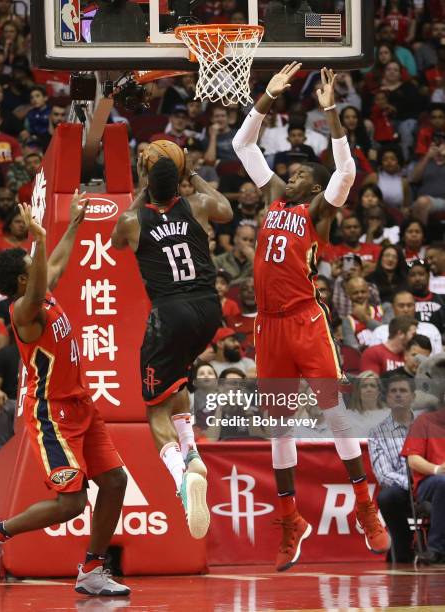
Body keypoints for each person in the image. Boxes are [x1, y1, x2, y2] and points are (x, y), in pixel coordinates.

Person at [232, 63, 390, 571]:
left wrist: (329, 112)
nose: (291, 173)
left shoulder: (318, 209)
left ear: (312, 186)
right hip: (269, 325)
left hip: (304, 319)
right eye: (291, 171)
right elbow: (242, 146)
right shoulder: (275, 197)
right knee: (279, 428)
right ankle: (289, 519)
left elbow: (345, 171)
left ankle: (367, 510)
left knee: (333, 413)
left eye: (300, 172)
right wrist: (267, 98)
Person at [0, 193, 130, 596]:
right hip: (53, 415)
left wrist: (76, 225)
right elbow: (44, 274)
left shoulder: (43, 293)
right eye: (34, 267)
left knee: (115, 482)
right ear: (23, 282)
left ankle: (92, 570)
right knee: (70, 505)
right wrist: (41, 239)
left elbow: (58, 264)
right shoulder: (22, 311)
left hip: (82, 406)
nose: (43, 266)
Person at [111, 151, 232, 540]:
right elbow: (227, 210)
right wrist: (192, 174)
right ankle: (192, 453)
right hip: (209, 310)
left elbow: (115, 241)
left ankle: (182, 480)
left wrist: (140, 188)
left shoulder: (133, 220)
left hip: (170, 313)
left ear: (148, 182)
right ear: (179, 180)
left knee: (154, 408)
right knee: (176, 379)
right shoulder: (197, 205)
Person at [368, 375, 416, 563]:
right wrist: (411, 484)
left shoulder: (427, 425)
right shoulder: (377, 432)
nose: (397, 395)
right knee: (387, 496)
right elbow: (383, 474)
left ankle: (438, 547)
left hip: (430, 482)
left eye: (403, 391)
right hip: (403, 489)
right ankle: (402, 546)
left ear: (413, 396)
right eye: (393, 392)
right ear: (386, 398)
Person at [402, 395, 445, 564]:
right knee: (443, 483)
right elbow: (413, 460)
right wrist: (437, 469)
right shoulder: (424, 422)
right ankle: (436, 549)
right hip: (430, 482)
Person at [371, 290, 442, 355]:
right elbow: (373, 358)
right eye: (401, 306)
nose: (406, 309)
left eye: (409, 305)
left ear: (415, 307)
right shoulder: (379, 332)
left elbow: (437, 360)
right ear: (393, 307)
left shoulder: (431, 329)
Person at [342, 277, 383, 350]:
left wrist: (364, 317)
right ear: (349, 296)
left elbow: (388, 334)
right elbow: (352, 350)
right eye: (355, 293)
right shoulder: (348, 321)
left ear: (368, 292)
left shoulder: (383, 309)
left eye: (363, 292)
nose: (360, 295)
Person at [347, 371, 389, 437]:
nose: (369, 389)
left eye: (372, 386)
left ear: (378, 391)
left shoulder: (389, 415)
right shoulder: (347, 416)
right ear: (358, 392)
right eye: (364, 386)